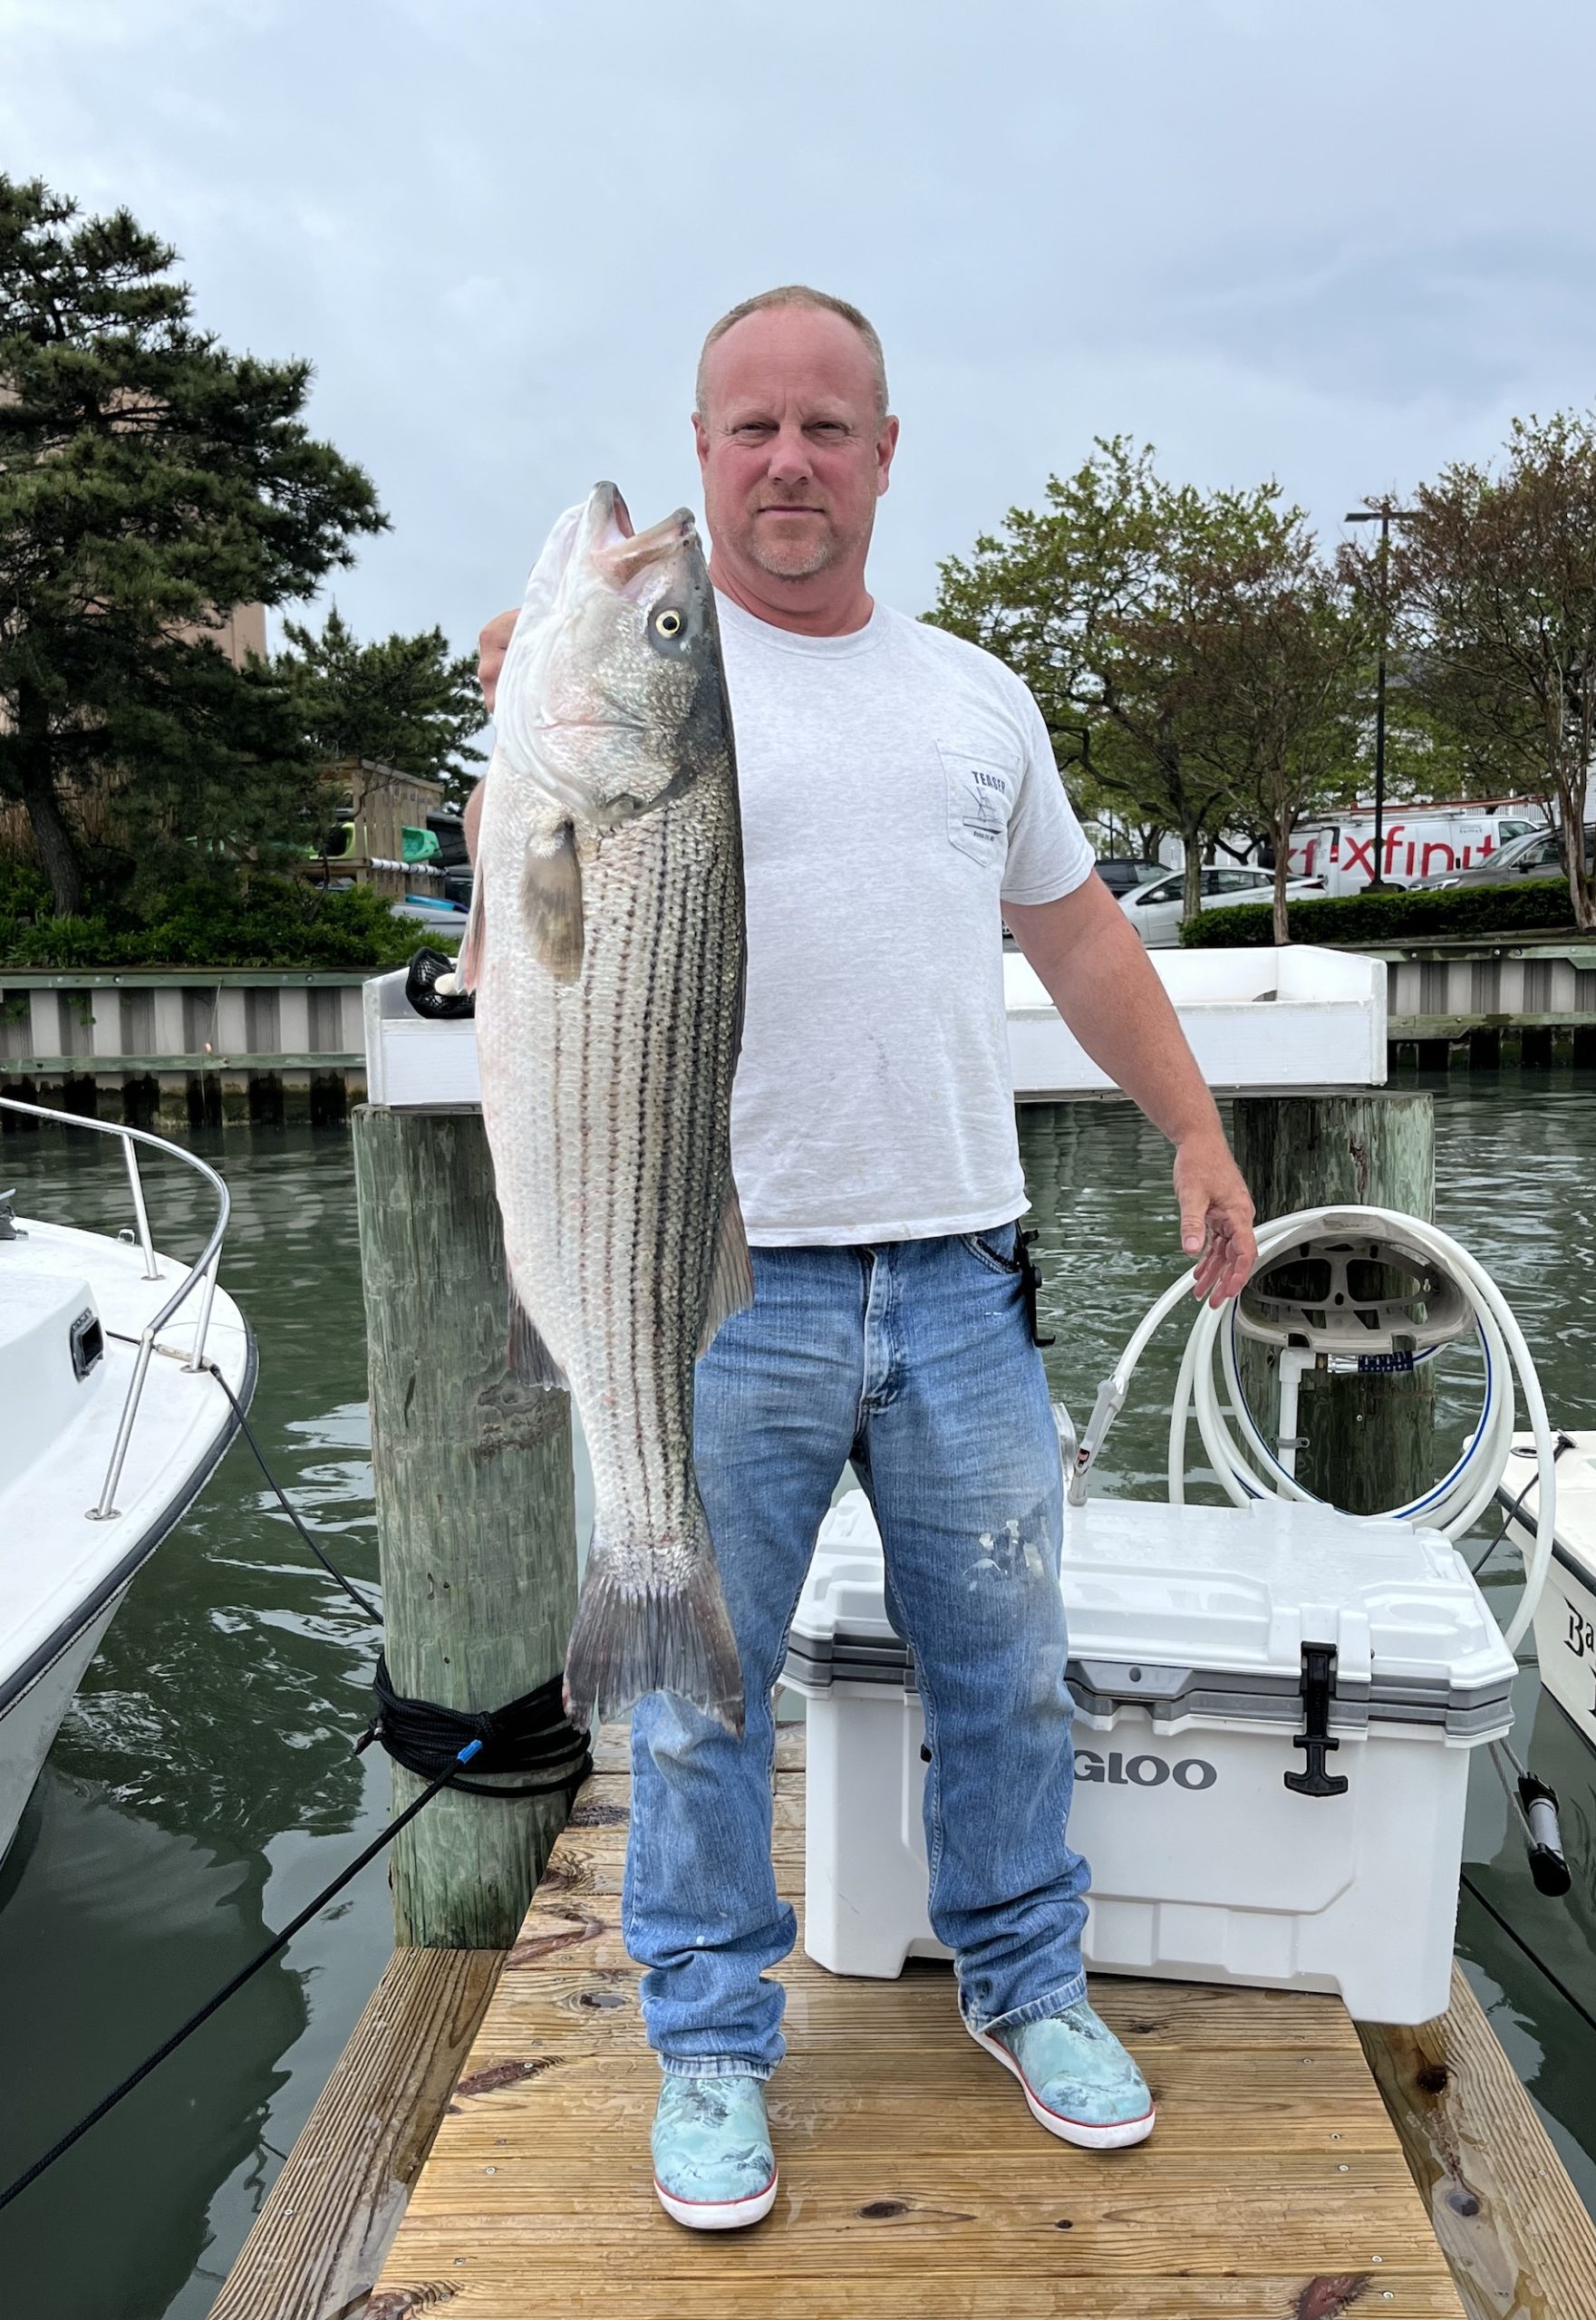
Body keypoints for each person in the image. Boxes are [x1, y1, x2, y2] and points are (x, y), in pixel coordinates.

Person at [470, 285, 1258, 2232]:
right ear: (704, 447)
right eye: (749, 429)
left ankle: (1026, 1977)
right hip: (710, 1290)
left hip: (961, 1272)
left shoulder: (976, 696)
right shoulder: (625, 680)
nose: (787, 462)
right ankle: (717, 2038)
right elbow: (515, 918)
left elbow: (1075, 934)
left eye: (828, 427)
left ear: (887, 451)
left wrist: (1193, 1122)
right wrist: (514, 699)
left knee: (1004, 1663)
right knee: (691, 1699)